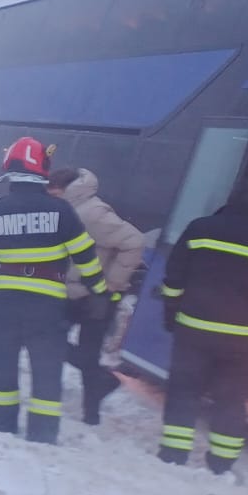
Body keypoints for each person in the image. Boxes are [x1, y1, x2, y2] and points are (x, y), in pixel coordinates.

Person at [0, 137, 116, 444]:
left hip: (5, 305)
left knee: (4, 370)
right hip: (46, 307)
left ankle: (2, 427)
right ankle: (42, 435)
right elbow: (86, 256)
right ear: (42, 169)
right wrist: (100, 292)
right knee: (46, 374)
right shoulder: (60, 211)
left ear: (10, 169)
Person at [158, 180, 248, 474]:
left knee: (184, 389)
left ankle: (174, 453)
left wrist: (171, 315)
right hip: (242, 341)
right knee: (230, 397)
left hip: (193, 330)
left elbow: (174, 278)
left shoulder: (200, 229)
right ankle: (222, 461)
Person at [46, 167, 145, 424]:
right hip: (71, 290)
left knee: (84, 353)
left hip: (95, 296)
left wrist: (111, 283)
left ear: (65, 189)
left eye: (52, 191)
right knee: (50, 339)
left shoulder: (92, 212)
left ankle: (92, 412)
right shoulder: (68, 208)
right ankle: (94, 390)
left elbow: (134, 241)